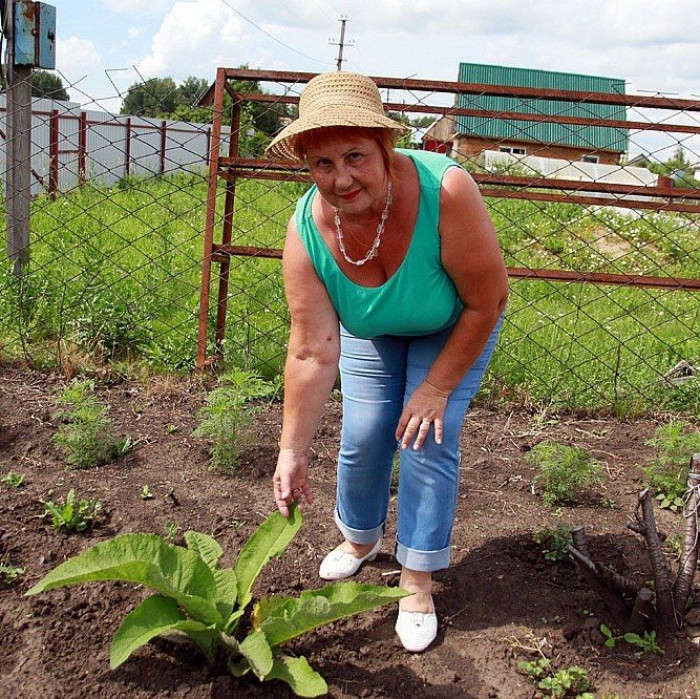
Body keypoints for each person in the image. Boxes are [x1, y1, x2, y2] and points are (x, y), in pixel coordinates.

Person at [266, 71, 508, 653]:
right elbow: (310, 350)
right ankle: (360, 538)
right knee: (367, 430)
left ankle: (416, 579)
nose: (340, 178)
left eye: (355, 156)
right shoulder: (306, 232)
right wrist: (291, 451)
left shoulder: (447, 191)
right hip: (376, 332)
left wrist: (435, 389)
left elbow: (487, 299)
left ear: (386, 147)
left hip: (453, 324)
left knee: (425, 435)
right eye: (322, 164)